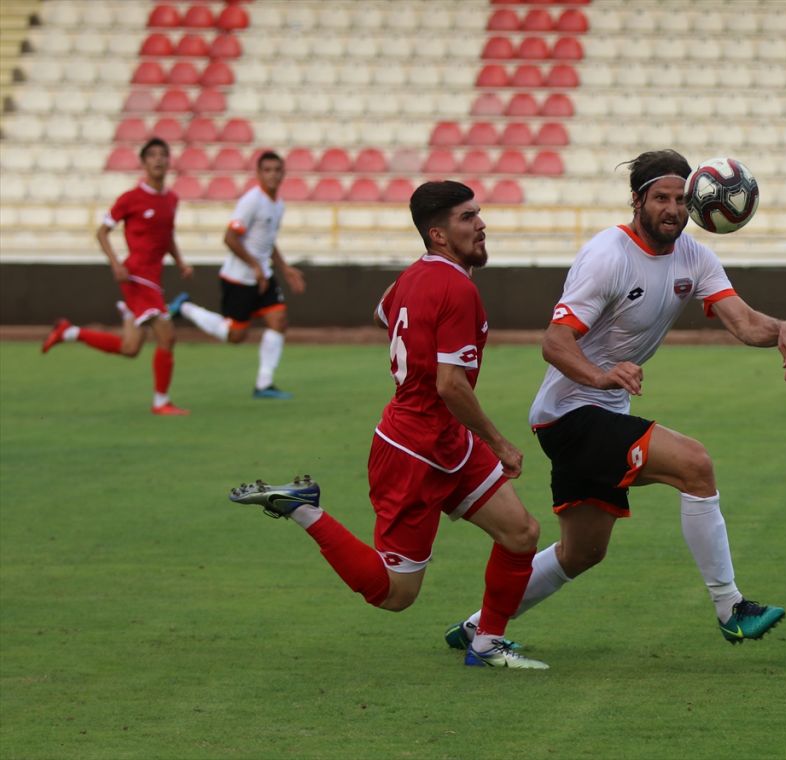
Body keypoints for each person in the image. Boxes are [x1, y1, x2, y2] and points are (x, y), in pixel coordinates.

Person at [445, 149, 786, 652]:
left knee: (582, 553)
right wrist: (601, 377)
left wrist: (784, 328)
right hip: (569, 415)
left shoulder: (695, 257)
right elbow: (554, 342)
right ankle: (731, 607)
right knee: (695, 464)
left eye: (681, 199)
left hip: (598, 413)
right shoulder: (608, 256)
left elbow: (745, 323)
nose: (673, 209)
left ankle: (476, 627)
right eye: (661, 198)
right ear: (637, 201)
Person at [229, 181, 548, 669]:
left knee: (521, 534)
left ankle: (486, 644)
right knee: (396, 594)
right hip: (413, 451)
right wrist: (500, 443)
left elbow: (384, 314)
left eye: (478, 213)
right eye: (468, 217)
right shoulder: (456, 287)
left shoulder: (416, 274)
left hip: (447, 440)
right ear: (438, 234)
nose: (481, 224)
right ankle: (303, 509)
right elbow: (450, 385)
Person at [41, 137, 193, 416]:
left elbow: (166, 235)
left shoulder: (172, 199)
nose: (159, 160)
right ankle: (161, 402)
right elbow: (102, 232)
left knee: (130, 347)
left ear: (169, 161)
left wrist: (180, 262)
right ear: (143, 162)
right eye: (152, 155)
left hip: (153, 278)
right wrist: (115, 263)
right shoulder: (130, 198)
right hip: (136, 276)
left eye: (163, 155)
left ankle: (69, 332)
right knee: (167, 335)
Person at [168, 151, 304, 399]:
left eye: (277, 170)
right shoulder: (252, 201)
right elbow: (230, 238)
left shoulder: (278, 204)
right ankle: (186, 307)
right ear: (258, 173)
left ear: (283, 173)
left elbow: (267, 241)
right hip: (238, 278)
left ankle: (264, 385)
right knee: (235, 335)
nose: (273, 175)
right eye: (267, 170)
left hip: (263, 275)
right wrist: (254, 266)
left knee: (279, 321)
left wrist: (284, 268)